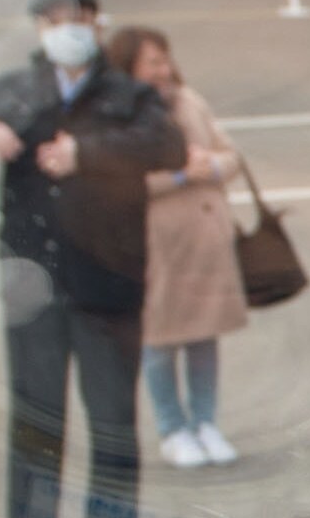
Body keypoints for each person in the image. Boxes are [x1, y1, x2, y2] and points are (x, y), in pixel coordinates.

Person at [0, 0, 181, 518]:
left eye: (76, 18)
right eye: (51, 19)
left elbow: (168, 145)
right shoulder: (17, 89)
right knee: (36, 415)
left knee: (112, 417)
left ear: (96, 24)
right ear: (39, 29)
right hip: (33, 283)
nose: (64, 28)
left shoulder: (129, 94)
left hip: (108, 283)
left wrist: (87, 153)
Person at [106, 25, 247, 470]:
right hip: (158, 247)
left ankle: (206, 422)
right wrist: (182, 175)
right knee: (160, 342)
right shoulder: (118, 118)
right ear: (129, 67)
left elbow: (231, 155)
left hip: (206, 242)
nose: (163, 70)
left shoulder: (190, 101)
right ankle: (172, 428)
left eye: (165, 60)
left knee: (204, 336)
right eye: (152, 62)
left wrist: (214, 166)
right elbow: (119, 184)